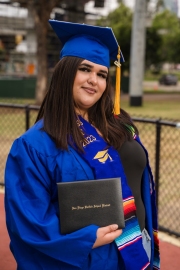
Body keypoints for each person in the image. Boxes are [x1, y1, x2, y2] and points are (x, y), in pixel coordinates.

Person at [5, 20, 160, 270]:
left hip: (135, 251)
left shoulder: (119, 125)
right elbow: (27, 226)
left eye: (101, 74)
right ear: (66, 72)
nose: (93, 80)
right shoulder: (34, 146)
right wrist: (87, 240)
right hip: (90, 261)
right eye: (85, 69)